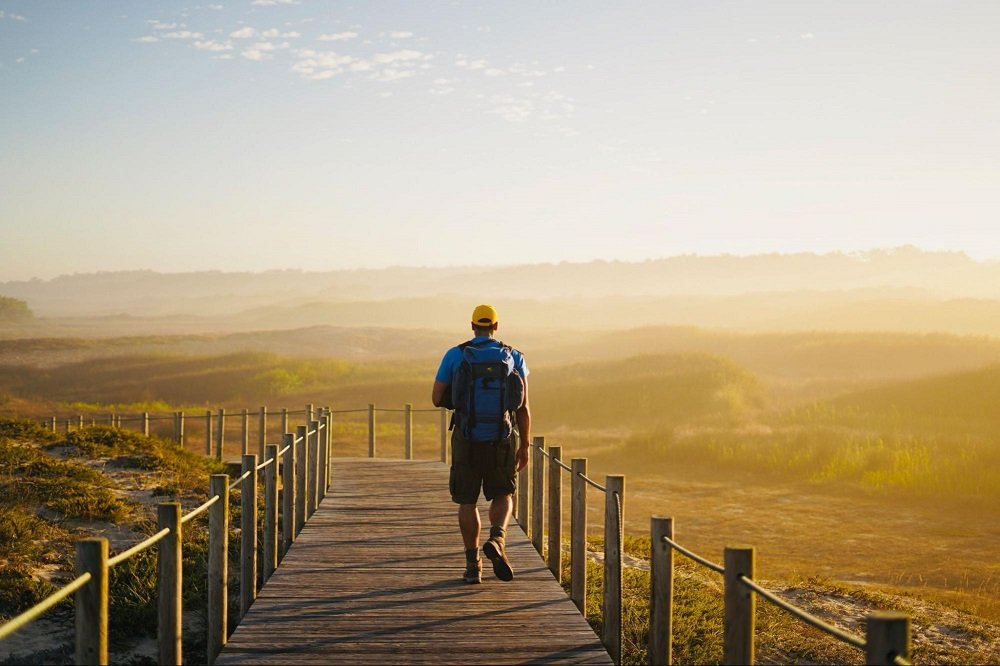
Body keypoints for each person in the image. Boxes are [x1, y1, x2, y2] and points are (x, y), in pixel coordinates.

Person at [432, 304, 530, 584]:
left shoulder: (455, 354)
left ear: (472, 325)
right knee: (503, 495)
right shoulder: (515, 357)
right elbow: (523, 407)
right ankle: (497, 538)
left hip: (467, 437)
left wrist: (461, 400)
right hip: (502, 438)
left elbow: (437, 398)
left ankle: (473, 565)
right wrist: (524, 446)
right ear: (496, 327)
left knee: (467, 501)